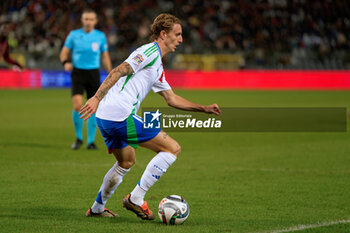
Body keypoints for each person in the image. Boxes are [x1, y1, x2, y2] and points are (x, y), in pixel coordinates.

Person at [80, 13, 221, 219]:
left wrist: (204, 108)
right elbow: (119, 70)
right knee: (172, 148)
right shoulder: (149, 51)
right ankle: (136, 199)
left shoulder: (157, 66)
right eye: (177, 34)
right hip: (121, 114)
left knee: (126, 162)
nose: (181, 40)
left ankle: (97, 209)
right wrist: (96, 97)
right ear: (163, 34)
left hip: (106, 117)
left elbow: (171, 98)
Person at [60, 9, 112, 150]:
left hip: (93, 74)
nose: (88, 22)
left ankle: (90, 142)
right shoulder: (74, 35)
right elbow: (64, 52)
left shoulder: (100, 36)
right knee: (78, 105)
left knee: (93, 107)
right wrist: (66, 62)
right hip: (78, 73)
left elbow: (105, 56)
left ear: (95, 21)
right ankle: (79, 138)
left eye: (91, 19)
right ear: (82, 20)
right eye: (86, 19)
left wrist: (111, 73)